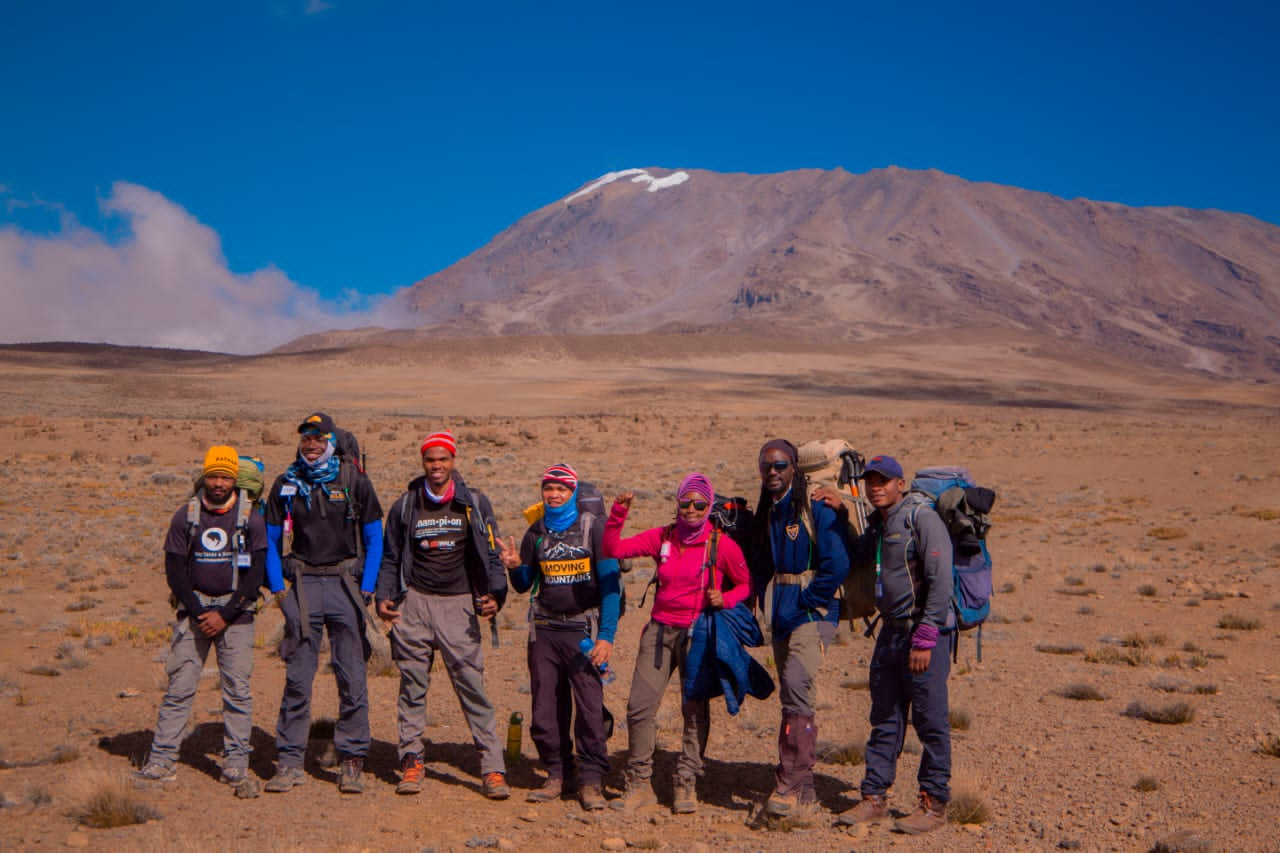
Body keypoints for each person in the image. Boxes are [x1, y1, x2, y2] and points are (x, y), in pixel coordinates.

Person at [603, 473, 752, 815]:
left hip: (697, 633)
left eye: (700, 504)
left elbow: (745, 584)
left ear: (709, 505)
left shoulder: (721, 545)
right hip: (659, 633)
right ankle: (640, 784)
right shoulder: (663, 537)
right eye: (685, 502)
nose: (691, 509)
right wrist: (618, 515)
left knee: (694, 710)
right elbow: (613, 549)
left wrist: (725, 599)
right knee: (639, 707)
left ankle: (686, 780)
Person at [376, 430, 511, 800]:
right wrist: (384, 596)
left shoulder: (474, 503)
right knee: (412, 687)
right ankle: (411, 760)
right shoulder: (406, 506)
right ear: (423, 463)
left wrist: (496, 595)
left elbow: (493, 555)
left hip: (459, 605)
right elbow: (390, 557)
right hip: (415, 603)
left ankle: (492, 767)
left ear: (453, 461)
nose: (437, 466)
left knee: (472, 686)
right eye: (430, 460)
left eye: (443, 459)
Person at [262, 413, 384, 794]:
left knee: (352, 675)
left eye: (318, 437)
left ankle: (351, 760)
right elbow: (269, 540)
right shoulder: (286, 483)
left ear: (331, 441)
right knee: (298, 676)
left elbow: (375, 537)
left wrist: (366, 587)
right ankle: (289, 760)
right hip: (302, 584)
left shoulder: (353, 480)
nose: (310, 443)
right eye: (305, 437)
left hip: (345, 584)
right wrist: (278, 589)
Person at [834, 455, 954, 835]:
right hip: (890, 633)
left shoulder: (922, 518)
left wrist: (926, 635)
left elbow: (941, 581)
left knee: (930, 720)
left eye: (883, 481)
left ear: (900, 483)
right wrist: (839, 513)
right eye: (871, 481)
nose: (876, 487)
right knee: (884, 716)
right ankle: (874, 797)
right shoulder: (878, 524)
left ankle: (934, 804)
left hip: (922, 635)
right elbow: (856, 557)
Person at [134, 446, 266, 785]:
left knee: (237, 689)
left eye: (225, 477)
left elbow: (256, 575)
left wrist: (224, 614)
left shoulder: (250, 517)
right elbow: (174, 569)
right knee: (179, 687)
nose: (219, 483)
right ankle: (162, 759)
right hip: (193, 612)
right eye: (213, 476)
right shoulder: (186, 516)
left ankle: (235, 761)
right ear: (203, 477)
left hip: (236, 616)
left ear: (235, 479)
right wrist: (198, 611)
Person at [496, 463, 620, 811]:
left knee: (590, 709)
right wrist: (514, 567)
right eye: (548, 489)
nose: (553, 495)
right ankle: (557, 773)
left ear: (574, 492)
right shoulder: (535, 532)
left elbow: (612, 588)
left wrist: (606, 637)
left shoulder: (595, 529)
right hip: (545, 632)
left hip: (584, 632)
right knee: (545, 708)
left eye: (561, 489)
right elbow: (524, 585)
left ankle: (592, 780)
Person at [749, 438, 849, 818]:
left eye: (780, 466)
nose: (772, 472)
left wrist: (811, 600)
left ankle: (788, 781)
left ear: (794, 468)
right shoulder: (770, 510)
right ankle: (804, 786)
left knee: (795, 683)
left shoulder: (814, 507)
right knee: (793, 697)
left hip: (813, 610)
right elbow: (762, 560)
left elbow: (836, 563)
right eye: (766, 466)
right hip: (782, 610)